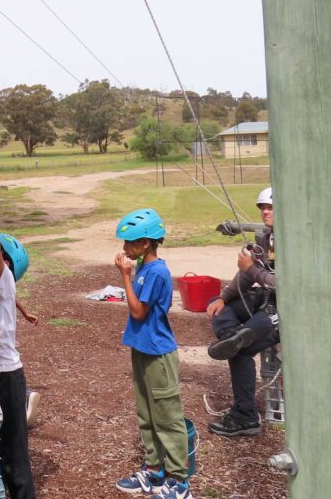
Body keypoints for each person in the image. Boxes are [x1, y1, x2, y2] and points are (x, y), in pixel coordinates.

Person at [113, 209, 191, 499]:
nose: (124, 248)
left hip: (159, 355)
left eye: (129, 242)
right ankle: (154, 471)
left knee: (167, 417)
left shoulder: (157, 272)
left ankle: (179, 482)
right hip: (142, 349)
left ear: (145, 243)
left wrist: (125, 276)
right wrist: (131, 275)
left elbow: (138, 311)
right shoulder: (145, 269)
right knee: (146, 413)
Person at [204, 186, 278, 437]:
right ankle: (232, 336)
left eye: (271, 207)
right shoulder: (267, 239)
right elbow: (247, 278)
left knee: (241, 352)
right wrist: (223, 297)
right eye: (263, 207)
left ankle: (245, 416)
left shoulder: (297, 243)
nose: (265, 212)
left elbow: (286, 285)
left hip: (286, 309)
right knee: (219, 306)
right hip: (266, 299)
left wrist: (251, 269)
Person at [0, 232, 38, 499]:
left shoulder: (3, 277)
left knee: (14, 446)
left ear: (6, 262)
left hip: (7, 373)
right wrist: (25, 311)